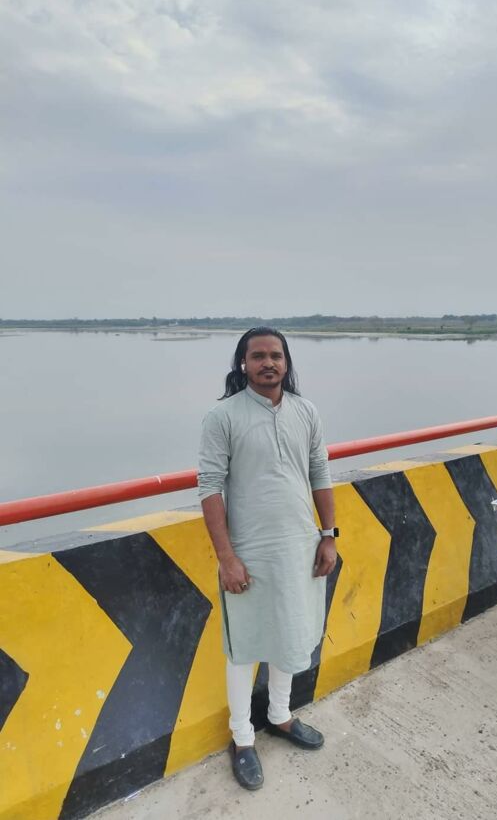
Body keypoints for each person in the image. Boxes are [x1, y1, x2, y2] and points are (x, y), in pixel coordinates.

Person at [198, 327, 338, 790]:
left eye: (276, 355)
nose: (268, 363)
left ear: (286, 361)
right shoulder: (223, 416)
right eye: (257, 356)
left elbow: (319, 472)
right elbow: (209, 488)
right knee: (244, 646)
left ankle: (280, 716)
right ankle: (242, 739)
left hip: (300, 546)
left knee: (289, 633)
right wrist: (227, 558)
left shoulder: (306, 411)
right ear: (243, 363)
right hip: (251, 552)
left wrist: (328, 536)